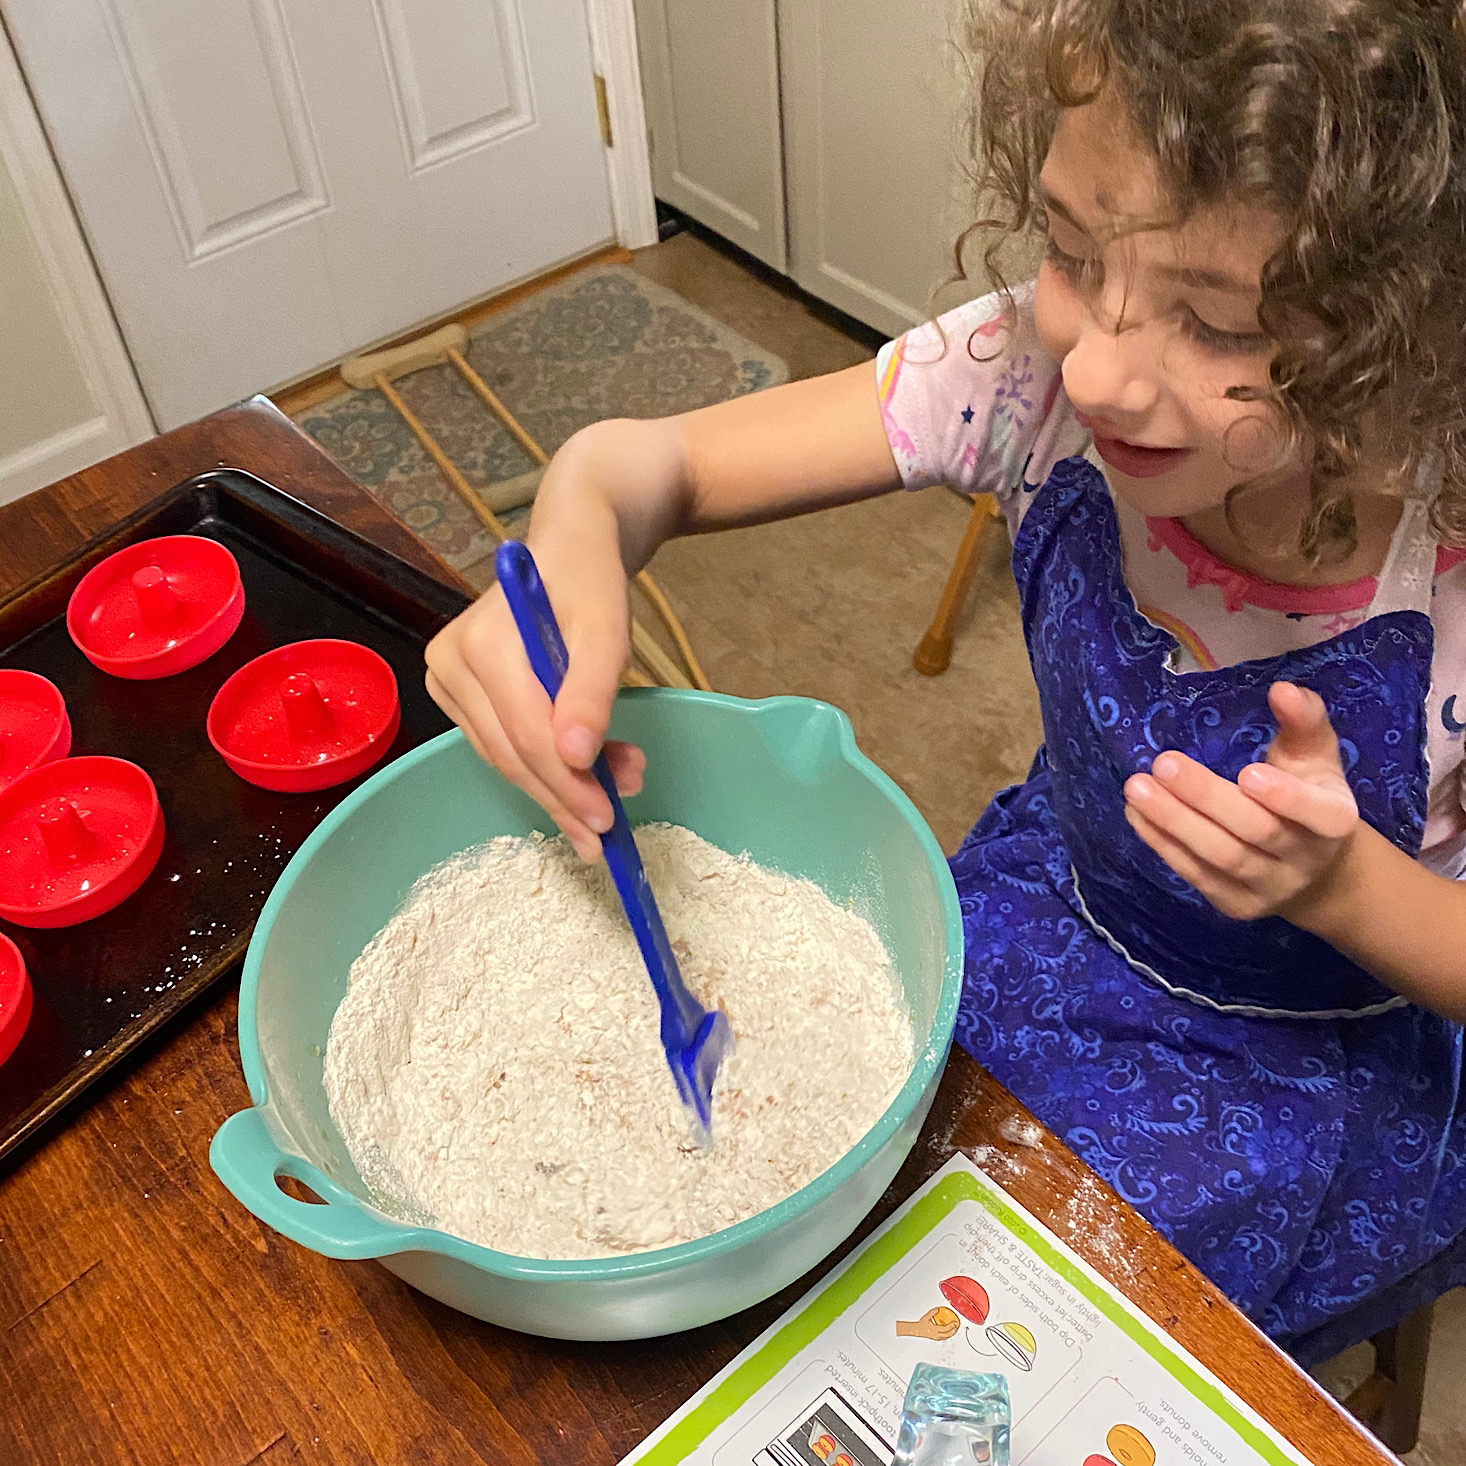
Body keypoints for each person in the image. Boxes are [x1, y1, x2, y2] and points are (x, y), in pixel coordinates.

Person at [424, 0, 1466, 1363]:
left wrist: (1345, 889)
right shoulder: (1023, 377)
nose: (1095, 363)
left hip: (1327, 1057)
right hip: (1064, 910)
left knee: (1011, 1339)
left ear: (1401, 326)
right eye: (1071, 253)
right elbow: (647, 465)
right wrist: (573, 525)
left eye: (1215, 326)